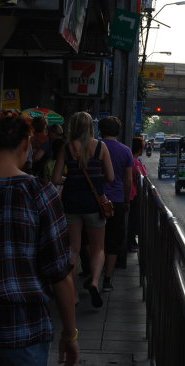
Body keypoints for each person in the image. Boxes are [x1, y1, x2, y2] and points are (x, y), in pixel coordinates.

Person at [0, 111, 78, 365]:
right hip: (24, 331)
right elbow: (59, 274)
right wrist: (69, 333)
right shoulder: (40, 193)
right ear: (25, 146)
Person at [52, 111, 115, 308]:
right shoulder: (101, 147)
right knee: (98, 248)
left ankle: (73, 295)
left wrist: (70, 179)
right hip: (94, 204)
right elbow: (111, 177)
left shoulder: (67, 148)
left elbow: (55, 179)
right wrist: (96, 180)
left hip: (71, 202)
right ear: (90, 127)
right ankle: (95, 282)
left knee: (73, 250)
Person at [99, 117, 134, 292]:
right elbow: (128, 181)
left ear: (100, 130)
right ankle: (107, 279)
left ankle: (93, 273)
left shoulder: (93, 147)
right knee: (113, 241)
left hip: (96, 199)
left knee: (94, 239)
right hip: (118, 200)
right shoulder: (126, 151)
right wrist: (127, 201)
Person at [126, 137, 148, 256]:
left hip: (130, 195)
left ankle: (131, 242)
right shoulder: (135, 163)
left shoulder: (133, 161)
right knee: (132, 222)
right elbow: (143, 178)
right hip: (133, 196)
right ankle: (130, 243)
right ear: (139, 149)